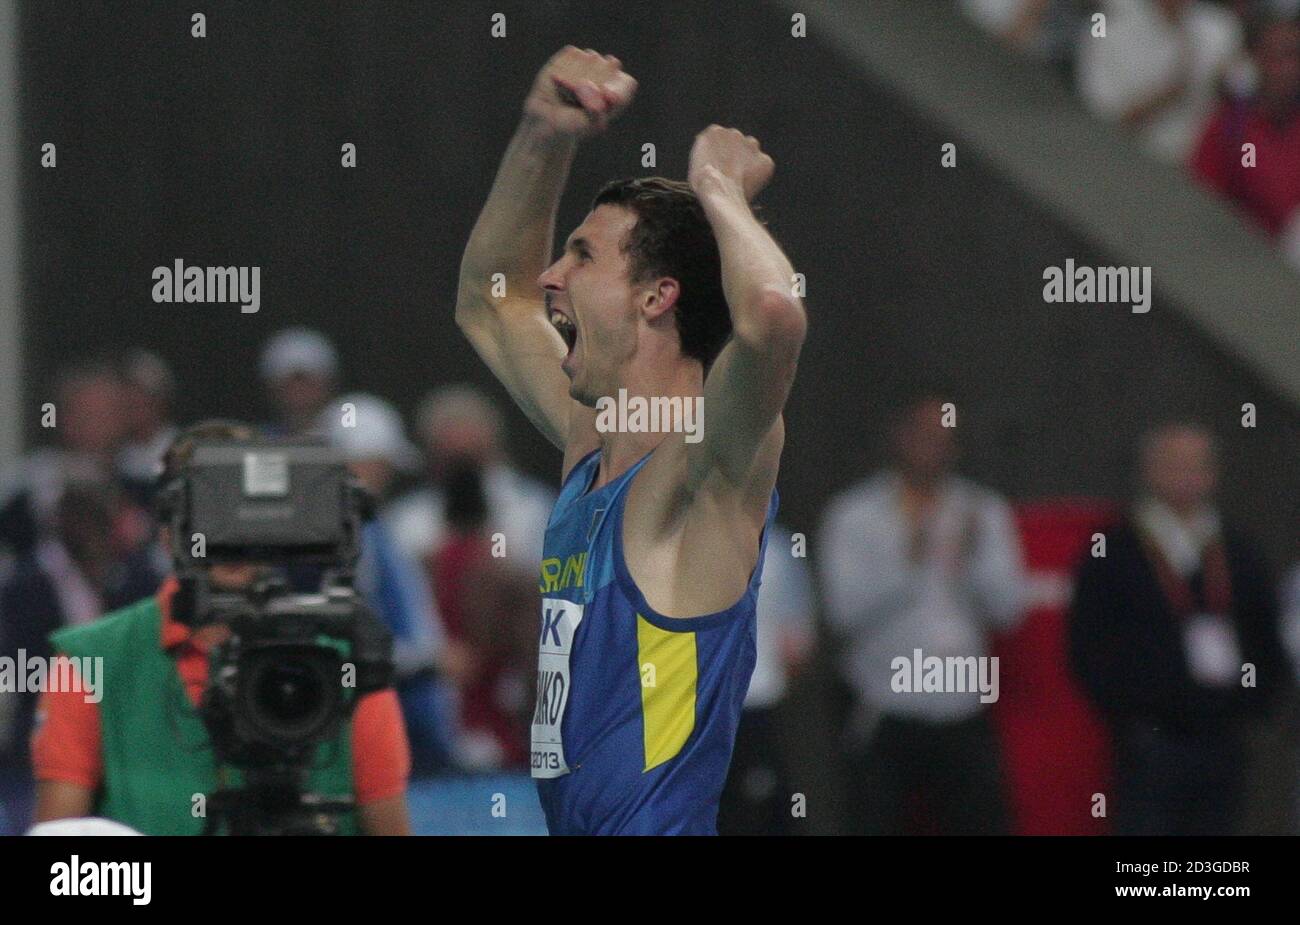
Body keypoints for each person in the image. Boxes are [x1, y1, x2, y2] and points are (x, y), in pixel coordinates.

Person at [454, 46, 806, 834]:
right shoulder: (594, 446)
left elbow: (775, 316)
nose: (552, 275)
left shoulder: (703, 468)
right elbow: (491, 297)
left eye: (581, 255)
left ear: (656, 296)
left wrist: (720, 192)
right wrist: (544, 133)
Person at [29, 421, 412, 835]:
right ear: (168, 535)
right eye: (212, 513)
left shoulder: (346, 660)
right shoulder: (89, 662)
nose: (232, 537)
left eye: (250, 512)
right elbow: (61, 862)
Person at [820, 391, 1027, 835]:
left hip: (962, 710)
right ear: (900, 438)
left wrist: (973, 562)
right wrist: (905, 562)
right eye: (924, 437)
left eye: (944, 439)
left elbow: (1009, 612)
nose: (934, 449)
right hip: (885, 709)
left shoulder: (983, 511)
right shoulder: (854, 515)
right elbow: (843, 614)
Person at [1068, 421, 1286, 835]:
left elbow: (1265, 636)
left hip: (1223, 737)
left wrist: (1251, 703)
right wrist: (1132, 713)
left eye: (1196, 465)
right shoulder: (1114, 550)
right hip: (1149, 739)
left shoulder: (1238, 551)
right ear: (1148, 471)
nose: (1186, 476)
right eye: (1173, 464)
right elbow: (1088, 645)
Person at [1077, 0, 1243, 163]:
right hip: (1114, 156)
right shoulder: (1110, 23)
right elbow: (1105, 120)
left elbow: (1243, 87)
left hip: (1185, 170)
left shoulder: (1220, 30)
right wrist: (1167, 95)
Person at [1191, 9, 1300, 240]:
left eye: (1297, 57)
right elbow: (1197, 196)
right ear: (1258, 59)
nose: (1292, 68)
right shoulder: (1230, 126)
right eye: (1282, 56)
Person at [259, 327, 340, 437]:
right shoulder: (260, 438)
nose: (299, 391)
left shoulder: (353, 428)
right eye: (289, 383)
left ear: (329, 383)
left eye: (308, 382)